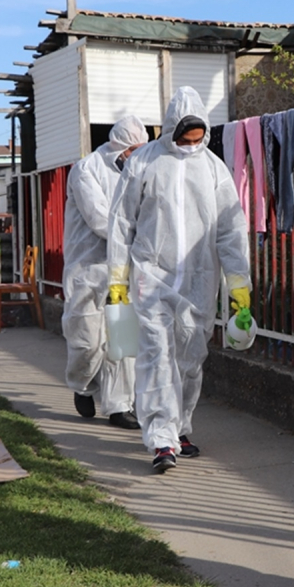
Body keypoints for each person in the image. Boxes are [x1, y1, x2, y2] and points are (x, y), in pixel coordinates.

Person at [107, 86, 251, 473]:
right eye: (185, 138)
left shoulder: (214, 168)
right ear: (171, 130)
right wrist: (118, 278)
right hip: (151, 276)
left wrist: (239, 283)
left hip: (200, 281)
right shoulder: (144, 163)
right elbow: (122, 224)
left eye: (198, 138)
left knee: (190, 358)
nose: (191, 145)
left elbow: (231, 231)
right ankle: (161, 440)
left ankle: (180, 427)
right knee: (156, 358)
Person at [62, 115, 148, 430]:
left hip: (123, 269)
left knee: (122, 341)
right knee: (87, 340)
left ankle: (118, 407)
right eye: (135, 149)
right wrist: (140, 235)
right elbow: (100, 219)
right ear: (121, 147)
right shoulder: (86, 170)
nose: (138, 155)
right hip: (88, 268)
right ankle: (82, 384)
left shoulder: (138, 173)